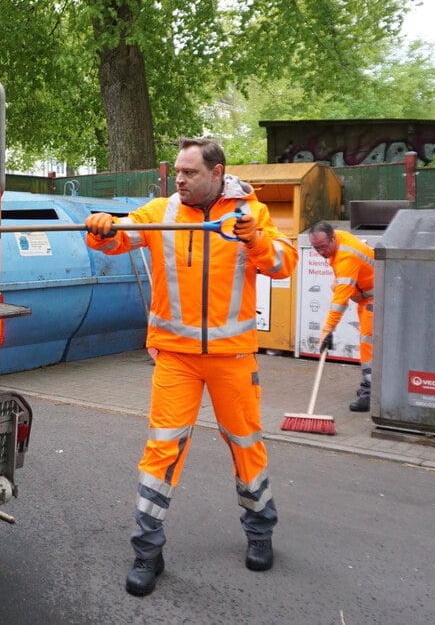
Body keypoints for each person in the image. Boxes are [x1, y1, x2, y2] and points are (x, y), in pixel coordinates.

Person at [85, 137, 298, 597]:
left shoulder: (249, 213)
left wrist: (256, 240)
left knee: (245, 445)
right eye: (178, 172)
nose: (179, 179)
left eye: (190, 173)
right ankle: (147, 551)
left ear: (217, 173)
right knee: (162, 449)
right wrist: (102, 228)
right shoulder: (161, 212)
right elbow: (120, 236)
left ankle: (260, 533)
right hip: (176, 358)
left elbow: (284, 264)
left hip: (232, 359)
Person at [307, 221, 375, 412]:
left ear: (333, 239)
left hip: (376, 297)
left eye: (323, 247)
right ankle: (373, 386)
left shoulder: (346, 256)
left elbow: (339, 301)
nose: (320, 252)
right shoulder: (336, 239)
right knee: (370, 342)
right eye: (315, 248)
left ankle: (370, 392)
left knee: (368, 342)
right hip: (367, 297)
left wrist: (327, 330)